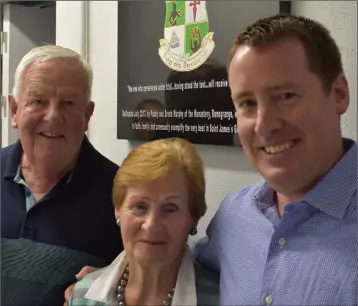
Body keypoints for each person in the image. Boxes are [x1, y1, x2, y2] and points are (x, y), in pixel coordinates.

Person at [194, 13, 356, 305]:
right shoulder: (233, 215)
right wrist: (116, 273)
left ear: (339, 94)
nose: (264, 125)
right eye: (247, 103)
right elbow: (184, 271)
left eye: (286, 96)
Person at [1, 45, 123, 306]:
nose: (53, 116)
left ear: (87, 114)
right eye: (37, 101)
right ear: (14, 110)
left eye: (68, 103)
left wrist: (114, 283)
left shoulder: (123, 193)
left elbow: (146, 283)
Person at [68, 137, 220, 306]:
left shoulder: (222, 299)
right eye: (140, 206)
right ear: (117, 210)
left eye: (170, 209)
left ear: (193, 217)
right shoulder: (83, 295)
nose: (151, 225)